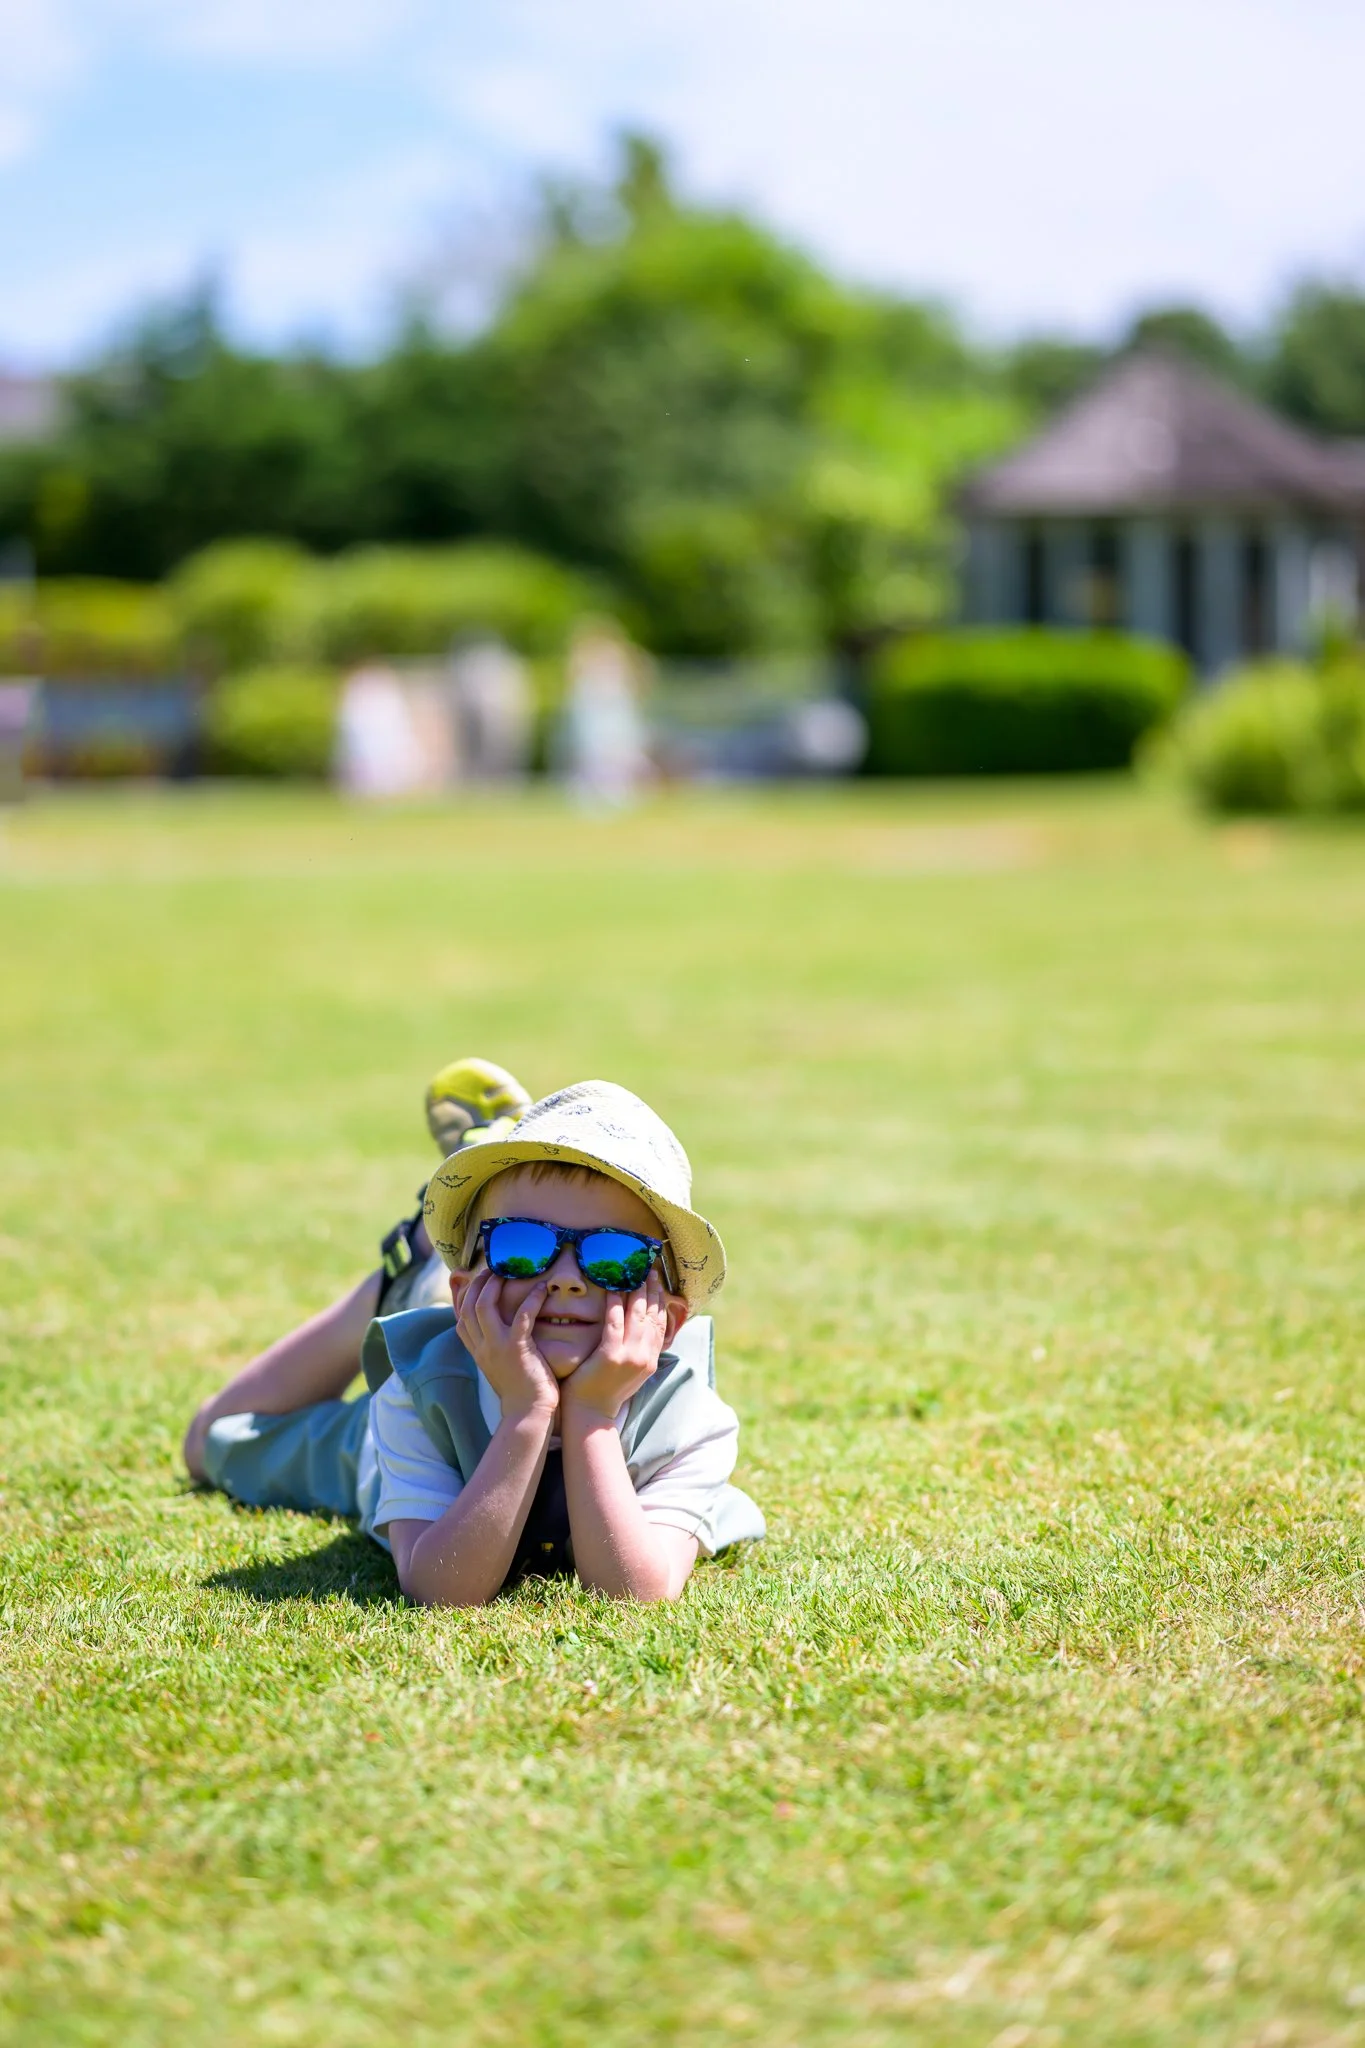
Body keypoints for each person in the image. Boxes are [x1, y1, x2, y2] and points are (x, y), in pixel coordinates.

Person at [183, 1079, 764, 1605]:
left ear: (670, 1319)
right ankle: (396, 1282)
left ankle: (441, 1262)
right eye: (522, 1246)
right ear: (468, 1295)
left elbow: (637, 1594)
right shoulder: (419, 1394)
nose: (565, 1278)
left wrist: (590, 1414)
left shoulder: (690, 1420)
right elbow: (443, 1590)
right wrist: (528, 1412)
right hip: (373, 1452)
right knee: (207, 1442)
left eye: (614, 1256)